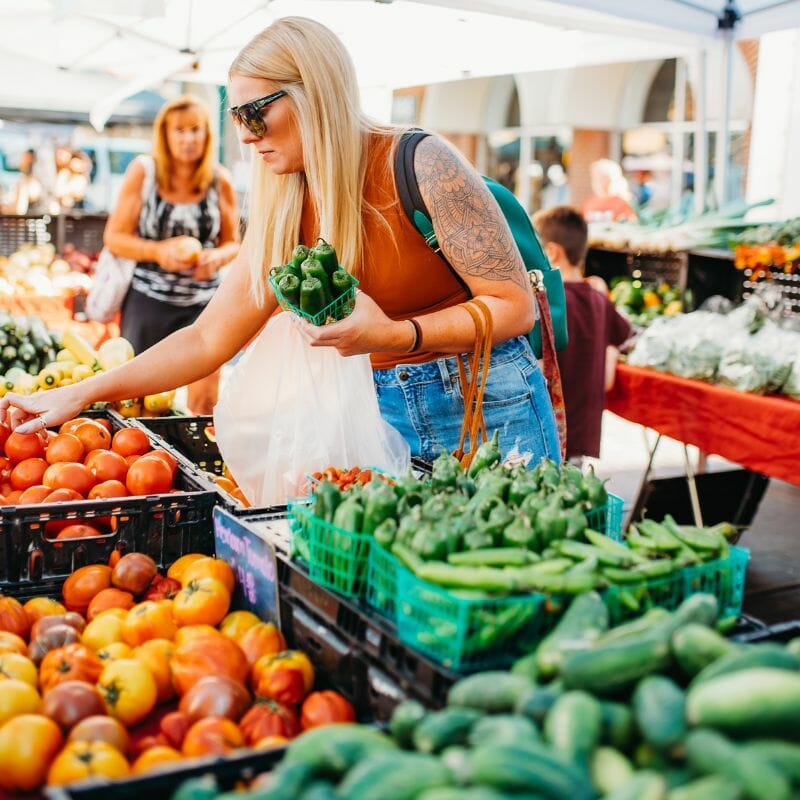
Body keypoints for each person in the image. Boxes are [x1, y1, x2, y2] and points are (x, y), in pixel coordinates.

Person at [0, 17, 559, 469]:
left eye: (254, 113)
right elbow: (205, 339)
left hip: (487, 407)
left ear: (313, 95)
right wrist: (83, 393)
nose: (243, 134)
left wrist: (394, 334)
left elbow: (515, 307)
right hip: (374, 414)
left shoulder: (421, 161)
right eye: (235, 114)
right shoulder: (282, 203)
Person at [103, 94, 240, 414]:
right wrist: (158, 251)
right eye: (179, 131)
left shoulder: (220, 181)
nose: (188, 138)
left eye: (196, 130)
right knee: (136, 398)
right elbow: (114, 237)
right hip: (149, 302)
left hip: (203, 306)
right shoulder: (144, 172)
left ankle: (195, 459)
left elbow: (233, 243)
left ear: (208, 135)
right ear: (164, 135)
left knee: (205, 401)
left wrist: (216, 258)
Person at [533, 206, 632, 463]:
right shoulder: (600, 299)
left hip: (544, 433)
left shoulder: (546, 303)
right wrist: (609, 356)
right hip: (580, 437)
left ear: (552, 252)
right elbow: (625, 337)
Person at [581, 159, 637, 224]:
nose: (600, 182)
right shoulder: (589, 202)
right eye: (596, 177)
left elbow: (632, 224)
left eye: (604, 178)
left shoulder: (624, 201)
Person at [5, 149, 44, 215]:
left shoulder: (33, 182)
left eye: (25, 158)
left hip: (31, 220)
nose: (22, 161)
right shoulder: (22, 179)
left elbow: (20, 209)